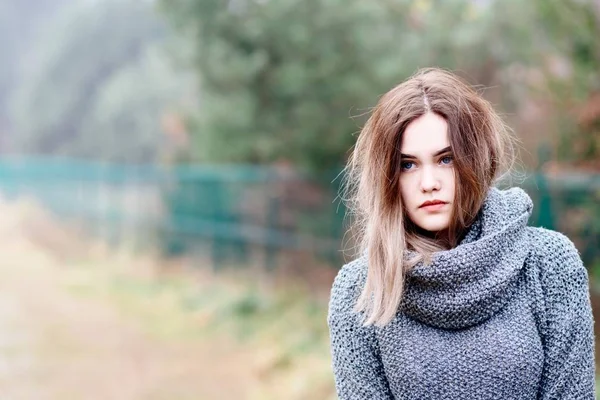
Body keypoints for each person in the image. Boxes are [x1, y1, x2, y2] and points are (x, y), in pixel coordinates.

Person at [327, 68, 595, 399]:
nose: (428, 183)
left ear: (476, 158)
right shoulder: (361, 289)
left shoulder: (549, 264)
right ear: (387, 176)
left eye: (446, 159)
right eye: (407, 164)